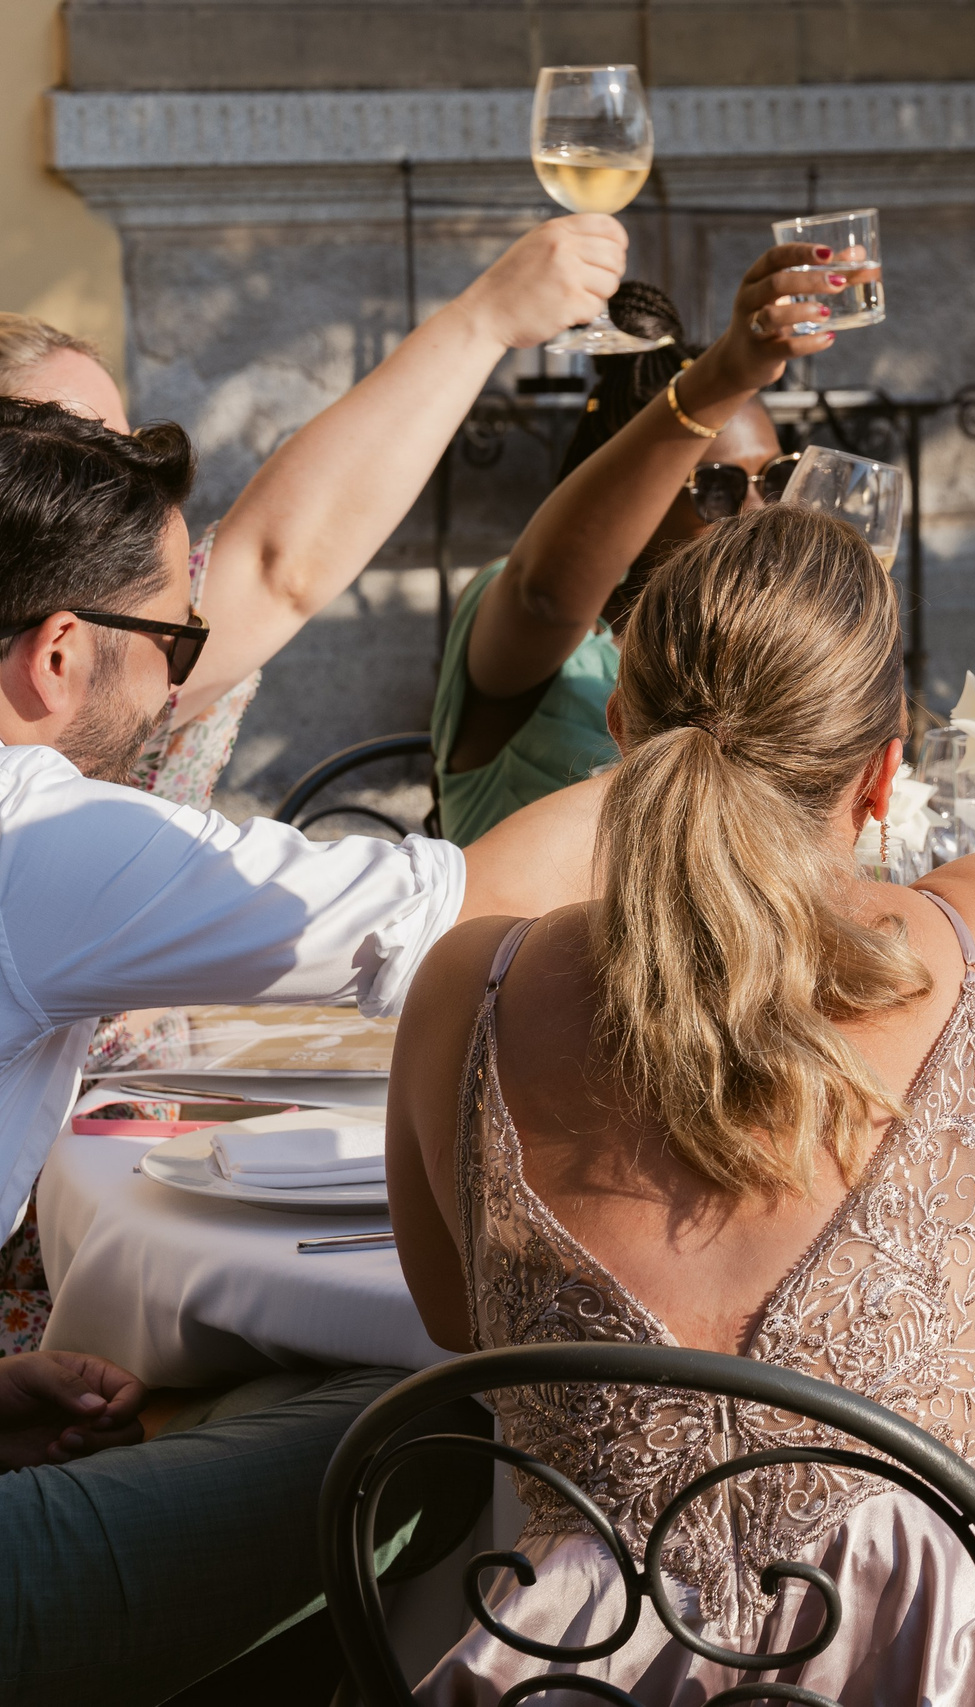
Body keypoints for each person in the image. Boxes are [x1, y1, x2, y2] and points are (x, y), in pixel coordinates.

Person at [385, 498, 975, 1702]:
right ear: (884, 775)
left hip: (577, 1677)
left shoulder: (469, 988)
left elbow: (458, 1325)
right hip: (935, 1664)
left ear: (622, 731)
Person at [0, 400, 595, 1702]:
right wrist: (728, 739)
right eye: (172, 640)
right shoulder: (36, 830)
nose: (178, 686)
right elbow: (459, 906)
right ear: (56, 652)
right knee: (451, 1423)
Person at [0, 216, 622, 814]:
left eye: (122, 447)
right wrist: (485, 319)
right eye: (77, 451)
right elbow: (280, 563)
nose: (128, 483)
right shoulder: (111, 643)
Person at [434, 247, 843, 845]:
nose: (757, 511)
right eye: (717, 487)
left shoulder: (734, 652)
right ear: (636, 494)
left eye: (775, 478)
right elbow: (544, 596)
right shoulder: (538, 633)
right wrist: (722, 375)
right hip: (509, 940)